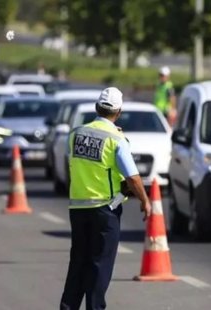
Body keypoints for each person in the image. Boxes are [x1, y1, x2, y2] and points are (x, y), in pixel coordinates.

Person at [60, 87, 152, 310]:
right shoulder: (116, 139)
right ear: (118, 112)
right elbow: (133, 177)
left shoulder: (75, 134)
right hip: (104, 210)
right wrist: (145, 201)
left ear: (96, 108)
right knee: (99, 266)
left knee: (78, 264)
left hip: (78, 208)